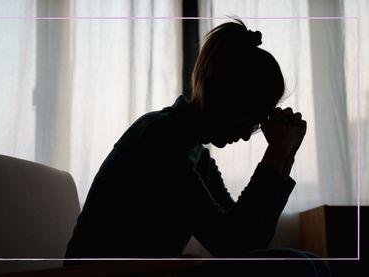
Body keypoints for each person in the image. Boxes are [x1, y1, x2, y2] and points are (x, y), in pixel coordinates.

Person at [65, 19, 330, 276]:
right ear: (224, 94)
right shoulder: (161, 137)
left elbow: (248, 240)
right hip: (105, 274)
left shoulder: (196, 154)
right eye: (251, 118)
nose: (247, 136)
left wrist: (286, 155)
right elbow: (231, 244)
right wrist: (277, 155)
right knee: (300, 267)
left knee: (312, 263)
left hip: (144, 271)